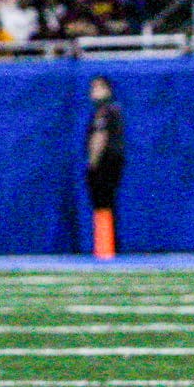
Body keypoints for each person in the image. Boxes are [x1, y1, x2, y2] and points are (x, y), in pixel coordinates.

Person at [86, 76, 125, 260]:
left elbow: (99, 138)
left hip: (105, 163)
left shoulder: (104, 112)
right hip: (114, 162)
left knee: (102, 203)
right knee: (106, 205)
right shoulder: (113, 110)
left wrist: (93, 162)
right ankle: (106, 246)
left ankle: (105, 248)